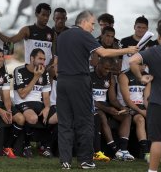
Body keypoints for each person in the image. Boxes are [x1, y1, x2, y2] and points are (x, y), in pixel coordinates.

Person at [56, 10, 138, 170]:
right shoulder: (83, 35)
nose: (93, 28)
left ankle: (65, 161)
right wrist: (127, 50)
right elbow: (103, 52)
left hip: (62, 81)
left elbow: (57, 62)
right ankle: (85, 160)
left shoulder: (61, 36)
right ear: (83, 22)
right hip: (79, 80)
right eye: (92, 23)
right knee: (85, 121)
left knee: (64, 122)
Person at [129, 18, 161, 172]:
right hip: (157, 102)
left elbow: (132, 61)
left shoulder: (153, 51)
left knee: (157, 140)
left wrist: (140, 77)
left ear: (159, 36)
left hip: (157, 102)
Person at [13, 48, 57, 158]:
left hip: (39, 104)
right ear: (32, 58)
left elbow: (46, 96)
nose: (42, 62)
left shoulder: (45, 72)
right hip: (23, 103)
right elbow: (22, 94)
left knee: (62, 116)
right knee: (32, 118)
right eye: (40, 59)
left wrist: (47, 107)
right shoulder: (19, 70)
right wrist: (36, 76)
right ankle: (26, 145)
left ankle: (47, 146)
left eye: (44, 59)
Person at [91, 57, 134, 161]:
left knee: (126, 116)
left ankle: (123, 150)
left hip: (105, 105)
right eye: (106, 68)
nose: (107, 71)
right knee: (101, 116)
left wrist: (121, 107)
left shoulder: (110, 77)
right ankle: (115, 150)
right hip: (93, 106)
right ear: (99, 65)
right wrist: (107, 109)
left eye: (110, 69)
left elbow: (113, 99)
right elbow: (89, 100)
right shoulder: (89, 76)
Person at [0, 3, 56, 68]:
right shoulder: (27, 30)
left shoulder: (52, 33)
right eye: (43, 15)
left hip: (45, 72)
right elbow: (10, 41)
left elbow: (53, 56)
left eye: (47, 16)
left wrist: (47, 68)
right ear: (36, 14)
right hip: (30, 71)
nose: (45, 18)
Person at [118, 64, 151, 159]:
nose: (143, 67)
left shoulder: (147, 77)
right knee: (140, 118)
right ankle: (146, 153)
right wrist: (141, 111)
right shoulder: (124, 75)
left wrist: (149, 111)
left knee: (152, 118)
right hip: (127, 106)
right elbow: (127, 99)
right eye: (140, 65)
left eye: (145, 64)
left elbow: (146, 99)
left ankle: (153, 152)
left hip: (140, 107)